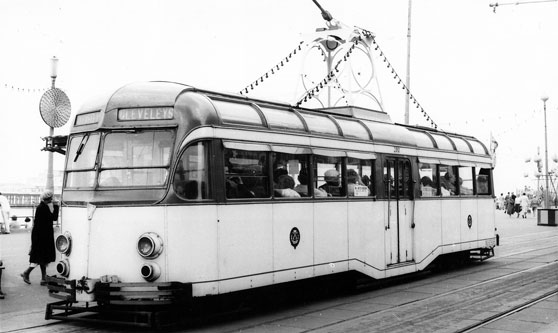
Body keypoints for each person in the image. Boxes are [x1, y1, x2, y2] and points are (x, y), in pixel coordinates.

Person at [21, 190, 59, 285]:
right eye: (50, 199)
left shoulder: (42, 207)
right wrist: (56, 206)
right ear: (49, 199)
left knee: (43, 257)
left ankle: (43, 278)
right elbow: (54, 218)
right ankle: (26, 272)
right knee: (41, 257)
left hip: (40, 234)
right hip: (43, 235)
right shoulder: (44, 208)